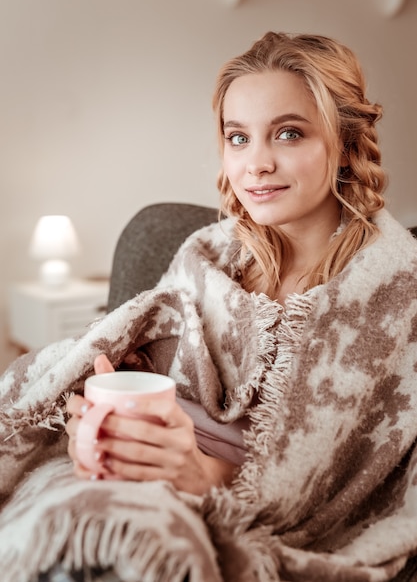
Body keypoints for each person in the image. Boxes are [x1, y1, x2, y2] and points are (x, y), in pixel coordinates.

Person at [2, 32, 417, 582]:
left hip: (225, 513)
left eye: (288, 134)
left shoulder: (393, 293)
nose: (257, 164)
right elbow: (135, 366)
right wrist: (92, 423)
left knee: (131, 542)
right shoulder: (205, 257)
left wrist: (201, 475)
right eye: (238, 138)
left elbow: (351, 477)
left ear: (344, 142)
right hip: (118, 472)